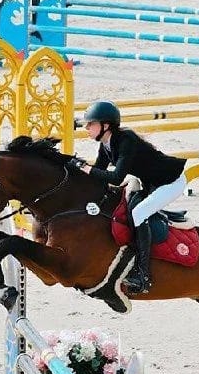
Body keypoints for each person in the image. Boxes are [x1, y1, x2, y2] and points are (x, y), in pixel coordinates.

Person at [77, 100, 187, 295]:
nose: (87, 128)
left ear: (105, 126)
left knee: (138, 213)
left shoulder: (126, 140)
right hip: (151, 183)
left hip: (171, 182)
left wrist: (86, 168)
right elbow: (98, 172)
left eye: (90, 124)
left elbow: (116, 177)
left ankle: (143, 274)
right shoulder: (106, 144)